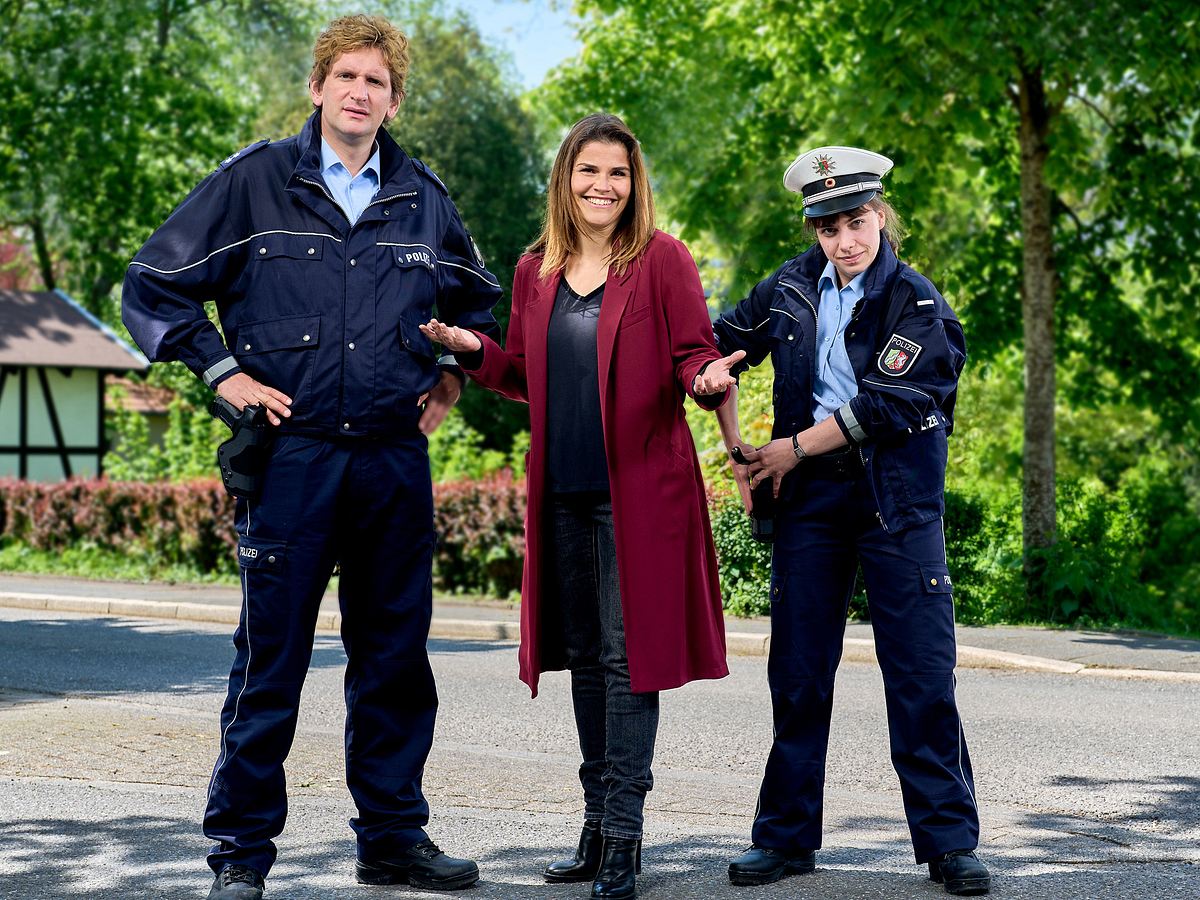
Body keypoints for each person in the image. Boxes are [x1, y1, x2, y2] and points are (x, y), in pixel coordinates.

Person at [121, 15, 501, 900]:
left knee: (396, 662)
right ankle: (242, 858)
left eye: (378, 82)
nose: (361, 93)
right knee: (272, 661)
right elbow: (153, 285)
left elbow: (482, 312)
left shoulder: (423, 197)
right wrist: (222, 371)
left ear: (395, 100)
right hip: (292, 463)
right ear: (319, 87)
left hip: (393, 465)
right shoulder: (256, 183)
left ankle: (394, 840)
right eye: (347, 77)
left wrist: (452, 372)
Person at [422, 113, 741, 900]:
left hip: (640, 496)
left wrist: (705, 378)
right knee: (588, 669)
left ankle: (627, 841)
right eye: (589, 171)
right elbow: (530, 373)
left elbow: (693, 351)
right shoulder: (536, 270)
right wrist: (475, 352)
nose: (604, 185)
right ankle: (596, 828)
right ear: (565, 179)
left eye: (619, 174)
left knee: (630, 666)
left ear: (636, 187)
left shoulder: (661, 260)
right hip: (561, 492)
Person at [702, 146, 990, 896]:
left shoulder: (916, 301)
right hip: (811, 506)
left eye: (856, 222)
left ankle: (949, 843)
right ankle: (786, 838)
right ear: (815, 230)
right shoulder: (791, 287)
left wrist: (789, 448)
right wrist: (707, 372)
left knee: (921, 674)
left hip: (895, 499)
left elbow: (889, 404)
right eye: (829, 228)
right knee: (797, 674)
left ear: (879, 216)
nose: (845, 241)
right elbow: (723, 339)